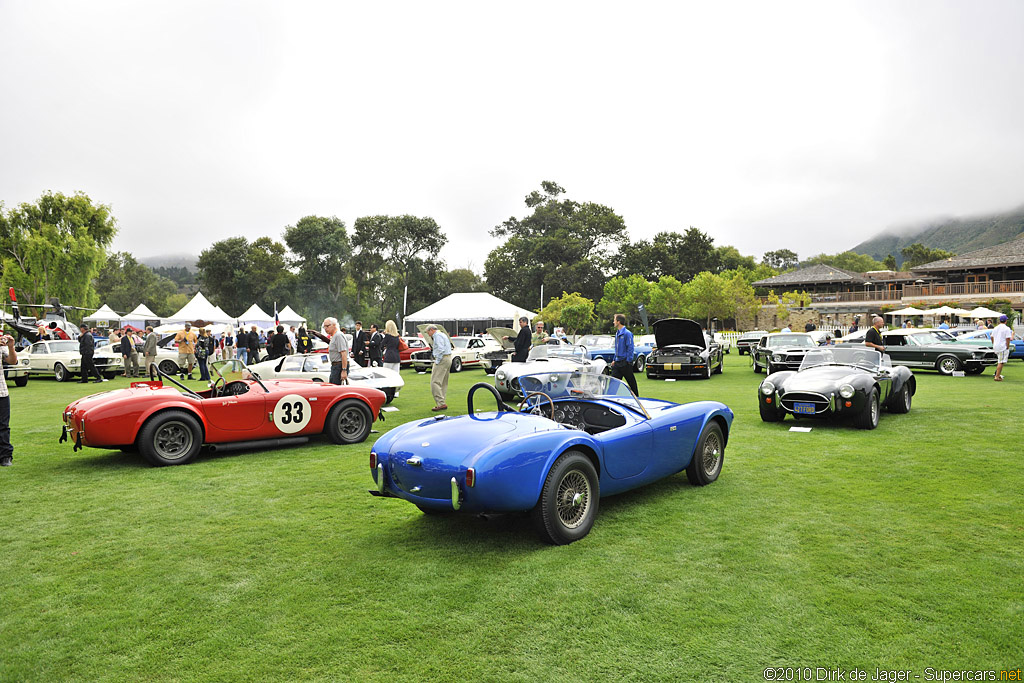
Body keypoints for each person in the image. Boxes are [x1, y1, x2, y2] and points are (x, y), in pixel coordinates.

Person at [610, 313, 639, 395]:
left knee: (631, 383)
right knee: (613, 385)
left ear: (618, 322)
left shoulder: (627, 333)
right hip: (617, 363)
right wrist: (614, 360)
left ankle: (637, 399)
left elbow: (630, 348)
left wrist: (628, 361)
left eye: (614, 320)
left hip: (625, 363)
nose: (613, 322)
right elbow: (617, 348)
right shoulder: (617, 333)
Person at [0, 332, 17, 466]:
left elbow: (12, 361)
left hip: (1, 392)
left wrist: (11, 347)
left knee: (3, 426)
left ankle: (6, 456)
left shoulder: (1, 344)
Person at [428, 324, 453, 411]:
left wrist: (437, 360)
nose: (428, 334)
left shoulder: (437, 336)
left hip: (442, 359)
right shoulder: (443, 334)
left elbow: (440, 349)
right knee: (443, 382)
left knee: (435, 382)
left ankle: (441, 403)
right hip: (448, 358)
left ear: (431, 330)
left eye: (428, 332)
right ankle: (442, 401)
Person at [323, 317, 350, 385]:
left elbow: (343, 353)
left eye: (327, 326)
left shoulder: (338, 335)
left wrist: (344, 370)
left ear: (334, 325)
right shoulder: (334, 336)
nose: (325, 328)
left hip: (339, 366)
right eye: (324, 326)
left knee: (335, 389)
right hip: (335, 366)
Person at [991, 314, 1012, 382]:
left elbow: (992, 336)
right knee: (1001, 362)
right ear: (1006, 321)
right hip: (1002, 346)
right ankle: (997, 376)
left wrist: (994, 343)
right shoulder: (1006, 328)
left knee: (1000, 360)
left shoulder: (996, 328)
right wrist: (1007, 346)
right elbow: (1008, 338)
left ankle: (998, 374)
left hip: (996, 346)